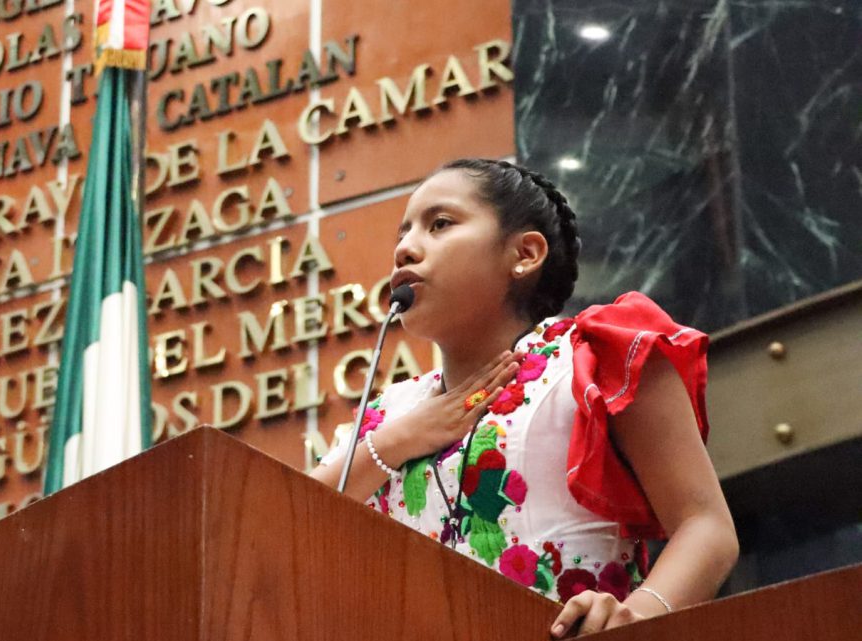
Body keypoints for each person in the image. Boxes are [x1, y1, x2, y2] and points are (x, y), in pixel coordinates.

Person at [310, 158, 739, 637]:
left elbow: (706, 526)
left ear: (525, 253)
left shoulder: (597, 357)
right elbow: (288, 523)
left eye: (440, 225)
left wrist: (636, 617)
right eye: (402, 235)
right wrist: (395, 442)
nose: (406, 249)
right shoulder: (384, 417)